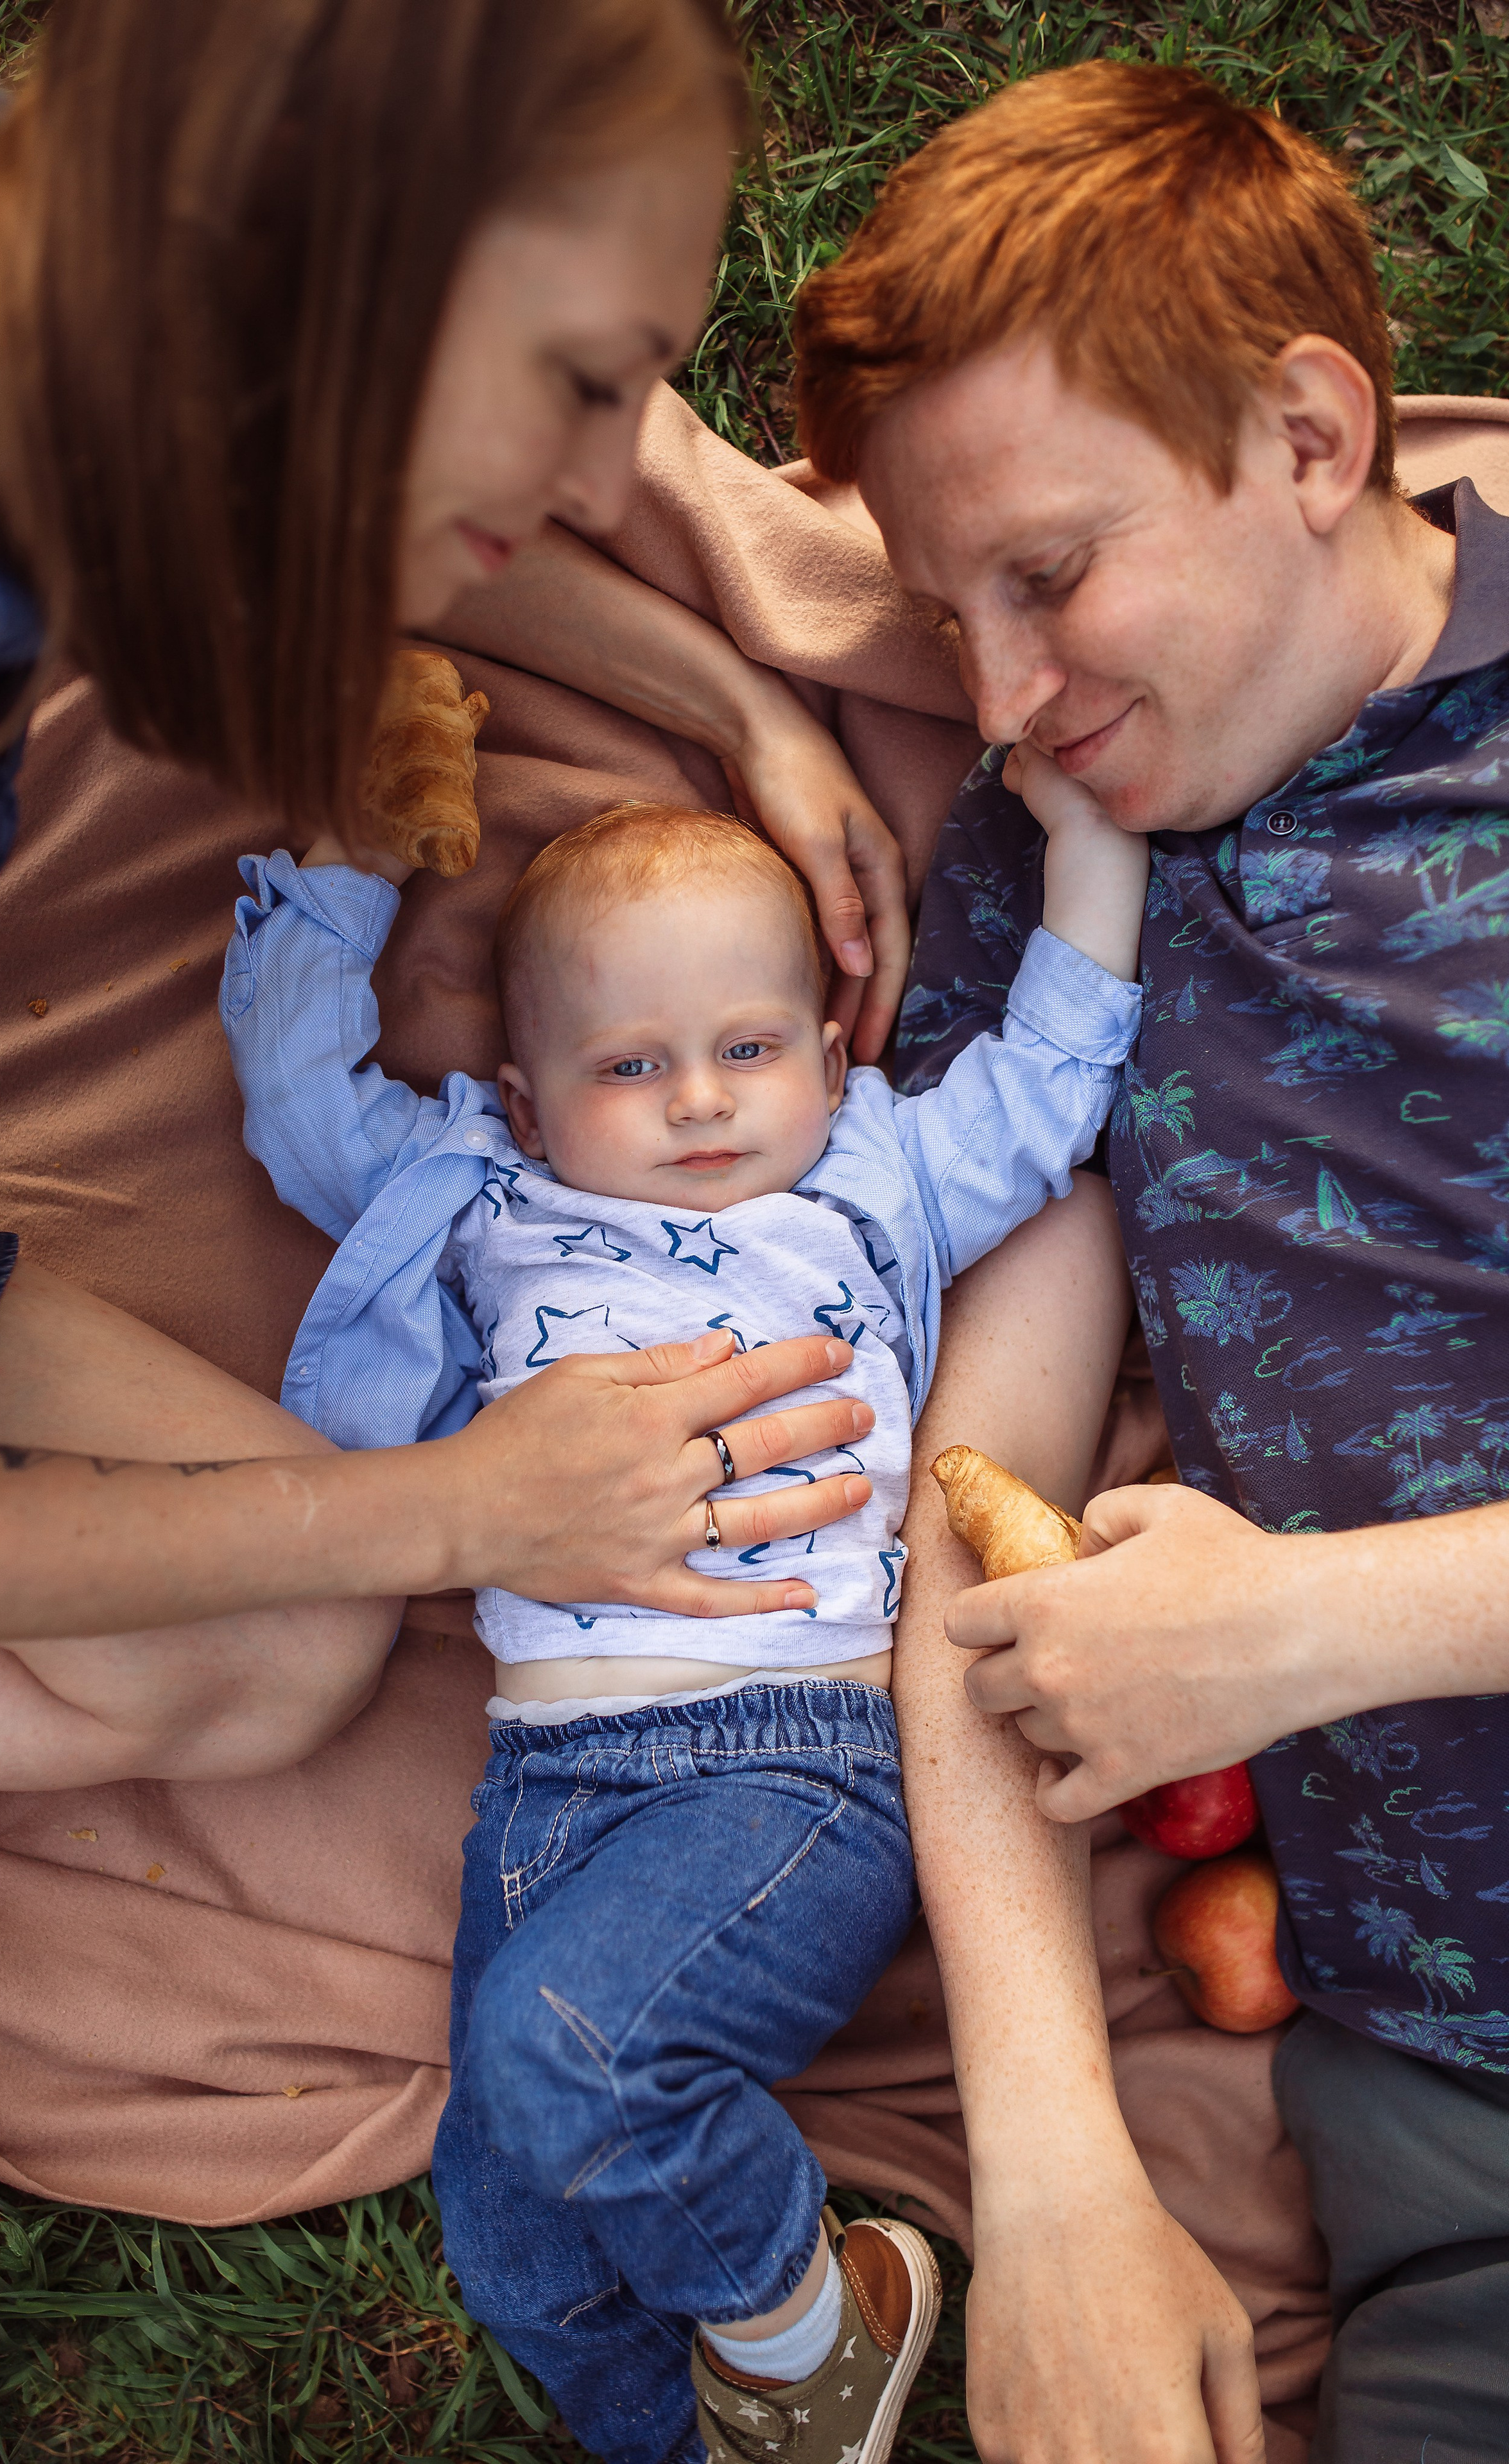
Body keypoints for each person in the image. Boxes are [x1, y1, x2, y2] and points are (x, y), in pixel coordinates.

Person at [0, 1, 904, 2332]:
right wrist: (461, 1513)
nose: (614, 457)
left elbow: (288, 468)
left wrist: (735, 702)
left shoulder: (31, 236)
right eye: (580, 378)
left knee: (279, 1638)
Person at [797, 55, 1509, 2464]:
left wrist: (1312, 1628)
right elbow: (966, 1509)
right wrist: (1066, 2175)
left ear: (1311, 435)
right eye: (939, 612)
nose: (996, 700)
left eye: (1049, 574)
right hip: (1454, 2122)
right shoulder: (1053, 879)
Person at [220, 778, 1144, 2464]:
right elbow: (295, 1105)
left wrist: (1097, 847)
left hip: (790, 1759)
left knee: (563, 2056)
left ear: (829, 1050)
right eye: (631, 1065)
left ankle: (818, 2324)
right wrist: (354, 851)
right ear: (524, 1096)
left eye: (749, 1046)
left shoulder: (880, 1172)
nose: (703, 1102)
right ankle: (714, 2439)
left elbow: (1051, 1083)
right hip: (547, 1780)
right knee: (508, 2247)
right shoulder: (482, 1191)